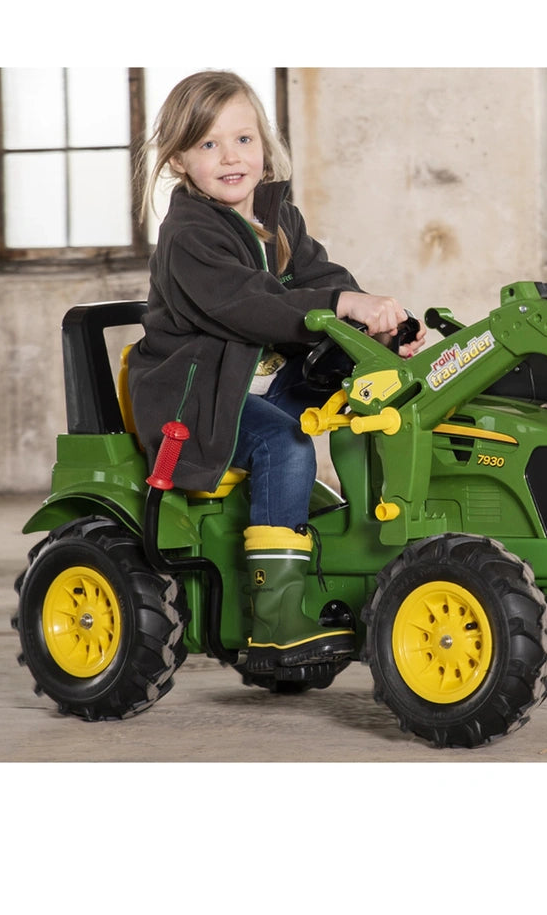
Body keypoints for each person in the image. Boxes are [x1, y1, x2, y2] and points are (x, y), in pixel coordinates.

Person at [127, 70, 425, 674]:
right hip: (200, 399)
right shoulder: (188, 236)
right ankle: (275, 614)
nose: (230, 157)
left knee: (369, 397)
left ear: (264, 145)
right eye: (208, 145)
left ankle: (365, 545)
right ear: (180, 159)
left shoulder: (276, 215)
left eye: (243, 140)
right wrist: (341, 307)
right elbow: (252, 303)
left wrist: (378, 321)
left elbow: (323, 279)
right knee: (284, 444)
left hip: (259, 383)